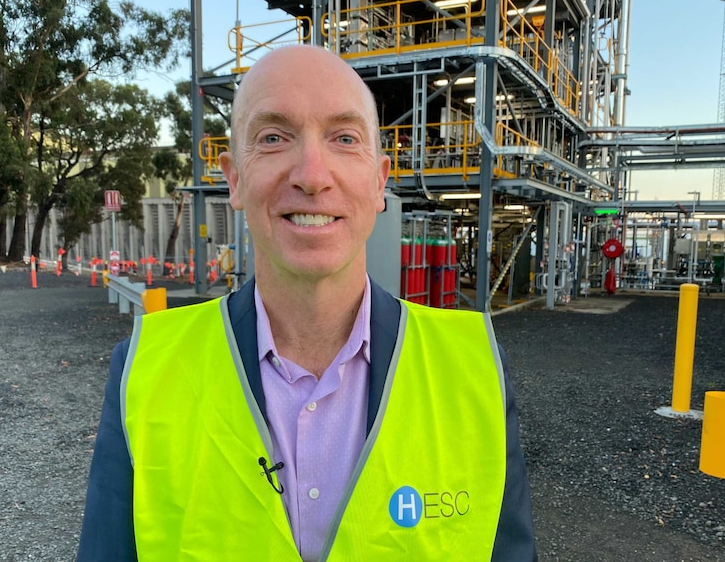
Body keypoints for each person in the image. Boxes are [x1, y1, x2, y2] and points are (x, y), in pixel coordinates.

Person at [76, 45, 536, 562]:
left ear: (380, 180)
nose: (312, 175)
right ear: (233, 178)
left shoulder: (474, 368)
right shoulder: (146, 371)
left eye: (344, 138)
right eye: (274, 138)